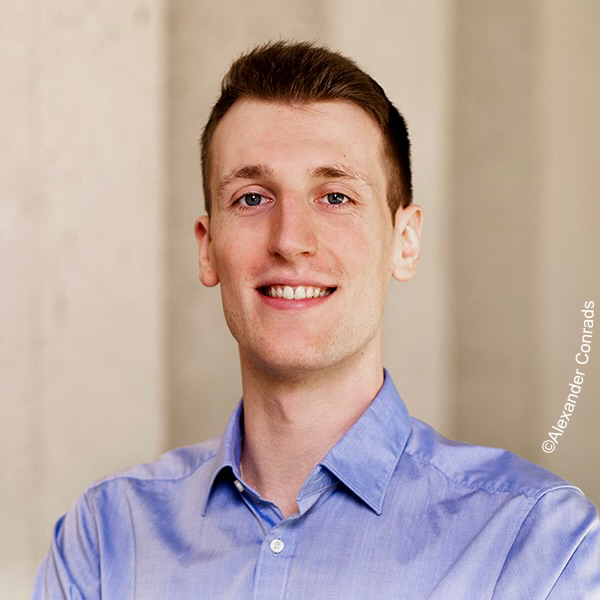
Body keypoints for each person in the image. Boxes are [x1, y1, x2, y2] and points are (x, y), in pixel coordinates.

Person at [34, 41, 599, 599]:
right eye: (252, 198)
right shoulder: (107, 540)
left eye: (335, 197)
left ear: (404, 241)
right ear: (207, 249)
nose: (290, 240)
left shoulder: (537, 546)